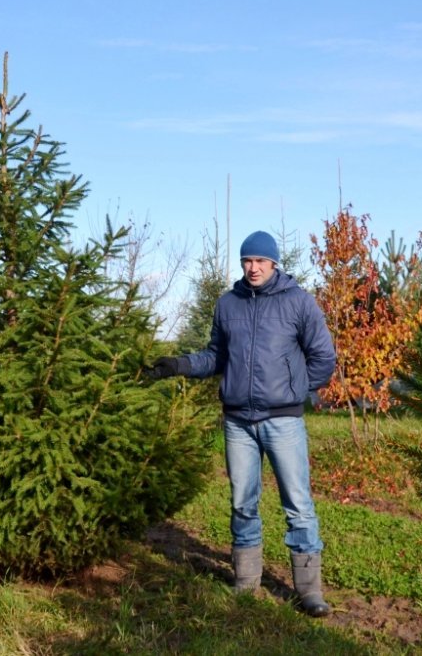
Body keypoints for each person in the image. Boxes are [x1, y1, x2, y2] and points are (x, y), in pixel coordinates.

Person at [145, 230, 336, 617]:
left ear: (274, 263)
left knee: (298, 505)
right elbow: (216, 356)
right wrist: (179, 365)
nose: (253, 268)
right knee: (242, 503)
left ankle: (309, 591)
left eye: (260, 261)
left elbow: (324, 357)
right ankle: (246, 582)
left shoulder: (298, 302)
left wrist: (295, 389)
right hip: (238, 424)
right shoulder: (227, 304)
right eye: (247, 261)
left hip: (283, 421)